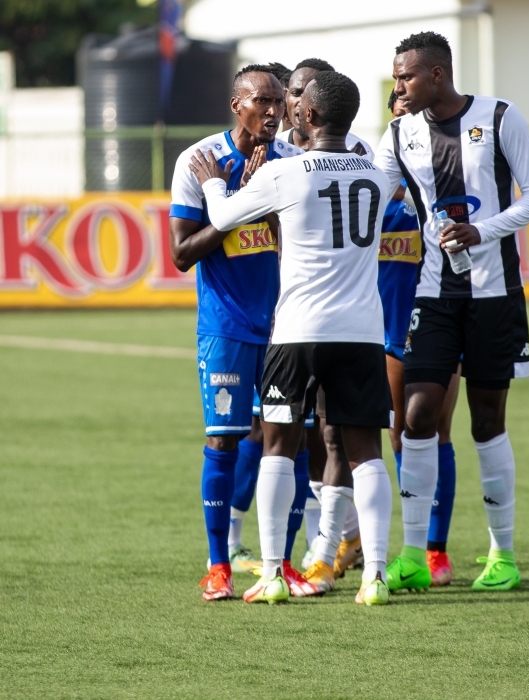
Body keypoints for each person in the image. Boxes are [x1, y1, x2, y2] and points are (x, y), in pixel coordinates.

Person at [192, 70, 395, 606]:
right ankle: (375, 576)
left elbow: (223, 215)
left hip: (299, 330)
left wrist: (215, 180)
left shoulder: (287, 172)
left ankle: (275, 574)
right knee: (366, 454)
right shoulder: (378, 176)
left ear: (306, 116)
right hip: (362, 331)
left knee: (278, 448)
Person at [375, 31, 529, 593]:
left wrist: (482, 231)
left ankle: (502, 554)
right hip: (434, 294)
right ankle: (412, 554)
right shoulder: (399, 132)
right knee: (417, 417)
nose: (397, 86)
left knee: (486, 422)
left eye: (405, 76)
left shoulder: (500, 117)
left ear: (436, 75)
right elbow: (374, 198)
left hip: (495, 295)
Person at [168, 64, 305, 601]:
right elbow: (181, 254)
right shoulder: (199, 162)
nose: (274, 112)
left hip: (291, 322)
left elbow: (304, 241)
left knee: (291, 440)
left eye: (280, 102)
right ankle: (218, 563)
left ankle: (284, 563)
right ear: (236, 104)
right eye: (263, 101)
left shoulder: (295, 163)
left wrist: (257, 204)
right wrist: (229, 203)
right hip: (226, 323)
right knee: (223, 439)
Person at [378, 89, 462, 587]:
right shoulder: (370, 191)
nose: (407, 119)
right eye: (400, 112)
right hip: (387, 331)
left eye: (415, 112)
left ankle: (436, 551)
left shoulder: (446, 189)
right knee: (397, 434)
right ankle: (407, 547)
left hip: (441, 322)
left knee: (437, 432)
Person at [279, 59, 373, 158]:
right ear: (285, 96)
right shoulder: (273, 147)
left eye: (311, 94)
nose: (302, 102)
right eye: (296, 93)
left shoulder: (357, 149)